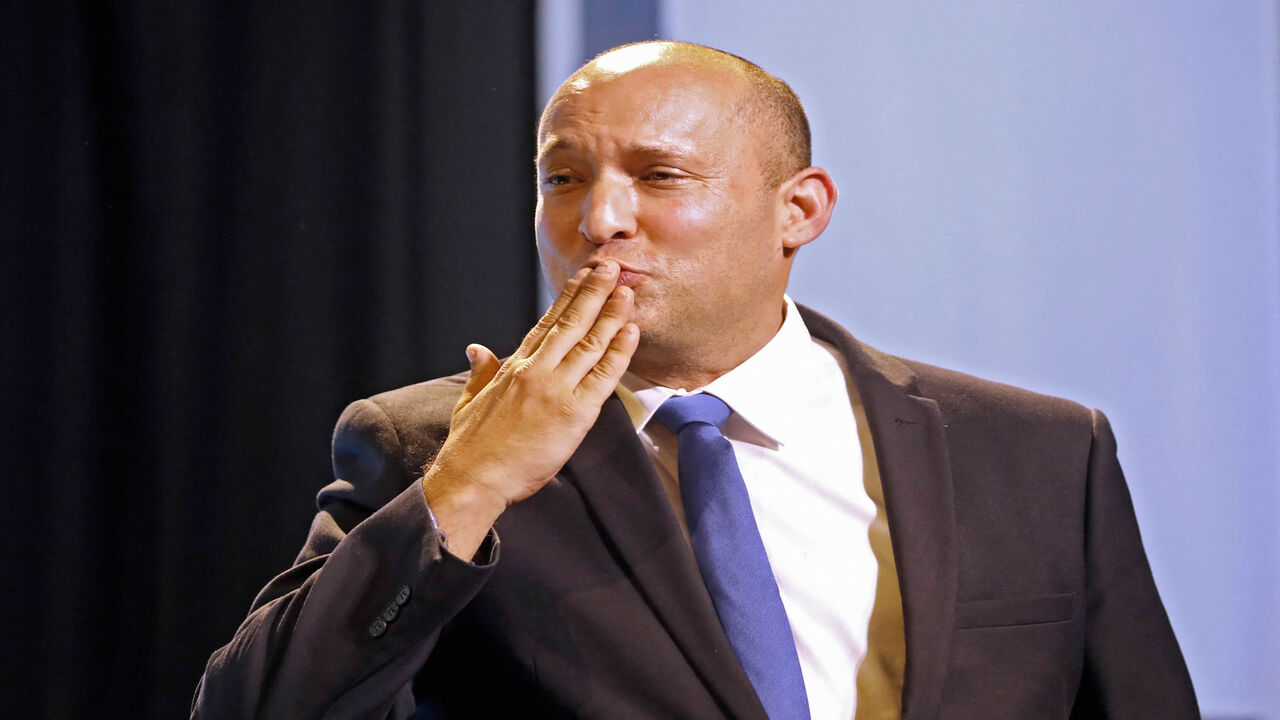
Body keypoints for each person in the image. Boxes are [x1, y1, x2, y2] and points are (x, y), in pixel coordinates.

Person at [192, 41, 1198, 719]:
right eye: (562, 178)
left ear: (798, 211)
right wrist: (470, 486)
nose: (598, 221)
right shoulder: (429, 443)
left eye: (659, 177)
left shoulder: (1036, 453)